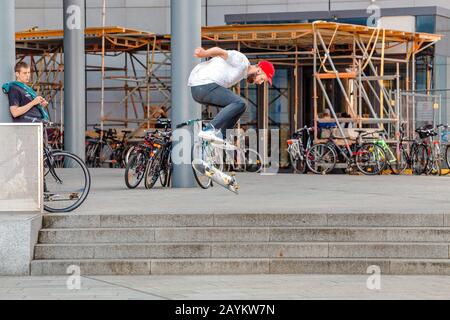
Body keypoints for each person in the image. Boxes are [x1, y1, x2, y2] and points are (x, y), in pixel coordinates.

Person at [188, 47, 275, 143]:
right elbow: (220, 52)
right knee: (240, 103)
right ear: (259, 71)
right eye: (262, 79)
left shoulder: (242, 73)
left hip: (201, 89)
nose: (259, 83)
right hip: (203, 84)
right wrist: (204, 53)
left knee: (241, 106)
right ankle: (210, 129)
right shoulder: (241, 61)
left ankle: (222, 135)